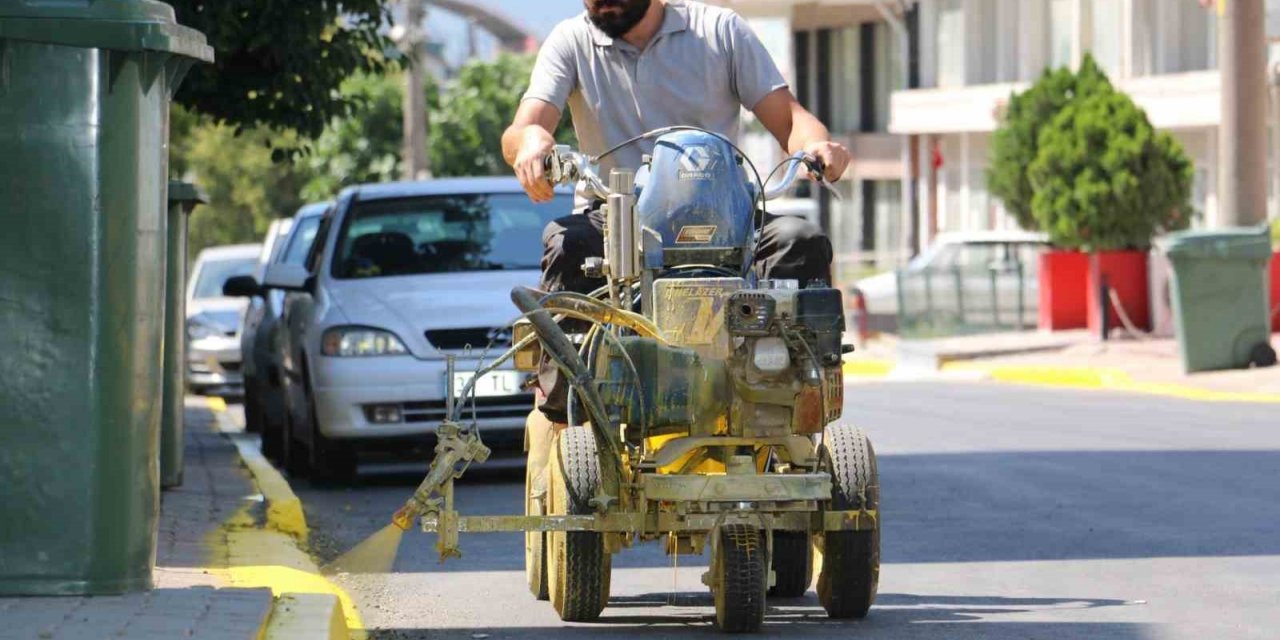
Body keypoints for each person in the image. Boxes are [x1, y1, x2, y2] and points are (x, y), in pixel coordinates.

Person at [502, 0, 853, 428]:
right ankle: (568, 404)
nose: (603, 4)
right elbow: (524, 128)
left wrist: (816, 146)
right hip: (617, 215)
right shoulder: (571, 40)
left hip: (726, 212)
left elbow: (791, 119)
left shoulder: (720, 31)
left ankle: (800, 387)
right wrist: (532, 141)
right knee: (566, 241)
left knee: (801, 241)